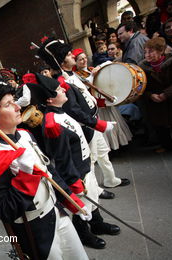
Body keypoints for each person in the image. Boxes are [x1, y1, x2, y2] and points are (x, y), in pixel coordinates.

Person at [0, 66, 89, 259]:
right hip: (36, 230)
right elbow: (5, 211)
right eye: (9, 104)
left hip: (57, 213)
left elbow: (49, 172)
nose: (18, 106)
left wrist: (72, 201)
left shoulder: (26, 135)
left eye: (14, 101)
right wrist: (26, 175)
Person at [25, 73, 121, 250]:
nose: (63, 88)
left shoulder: (61, 111)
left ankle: (97, 223)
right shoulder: (52, 123)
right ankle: (84, 234)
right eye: (58, 90)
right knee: (81, 206)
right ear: (50, 99)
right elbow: (61, 158)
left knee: (92, 195)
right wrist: (73, 181)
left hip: (84, 166)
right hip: (76, 173)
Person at [37, 37, 130, 190]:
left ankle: (110, 180)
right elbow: (73, 110)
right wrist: (98, 124)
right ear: (60, 61)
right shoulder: (61, 81)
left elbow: (85, 97)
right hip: (85, 126)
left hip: (92, 120)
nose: (73, 55)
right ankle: (95, 190)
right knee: (89, 160)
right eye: (68, 55)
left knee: (102, 153)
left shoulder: (72, 74)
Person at [73, 48, 133, 151]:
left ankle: (120, 144)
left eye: (85, 58)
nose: (84, 61)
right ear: (76, 62)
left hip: (105, 100)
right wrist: (93, 75)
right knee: (104, 126)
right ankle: (110, 149)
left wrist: (99, 67)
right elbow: (87, 85)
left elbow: (109, 62)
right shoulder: (76, 76)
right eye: (80, 59)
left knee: (114, 122)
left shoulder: (92, 69)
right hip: (96, 104)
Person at [138, 37, 172, 152]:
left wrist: (166, 94)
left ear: (161, 51)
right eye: (145, 52)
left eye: (151, 51)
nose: (147, 55)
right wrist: (150, 95)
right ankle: (166, 146)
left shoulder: (171, 63)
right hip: (156, 102)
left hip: (171, 99)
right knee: (160, 127)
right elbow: (141, 87)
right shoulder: (142, 68)